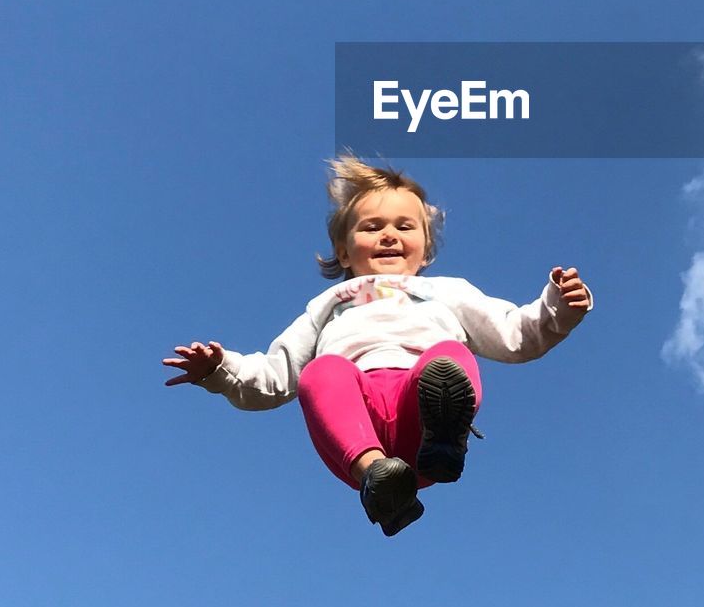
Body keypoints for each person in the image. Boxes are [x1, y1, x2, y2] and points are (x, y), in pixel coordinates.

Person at [163, 154, 593, 536]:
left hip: (418, 424)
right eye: (372, 227)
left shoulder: (448, 291)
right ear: (344, 251)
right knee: (322, 371)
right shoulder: (328, 305)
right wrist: (221, 371)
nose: (389, 235)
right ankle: (380, 479)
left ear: (425, 250)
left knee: (449, 357)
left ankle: (444, 436)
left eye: (404, 227)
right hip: (355, 428)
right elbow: (277, 375)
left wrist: (558, 306)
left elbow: (514, 333)